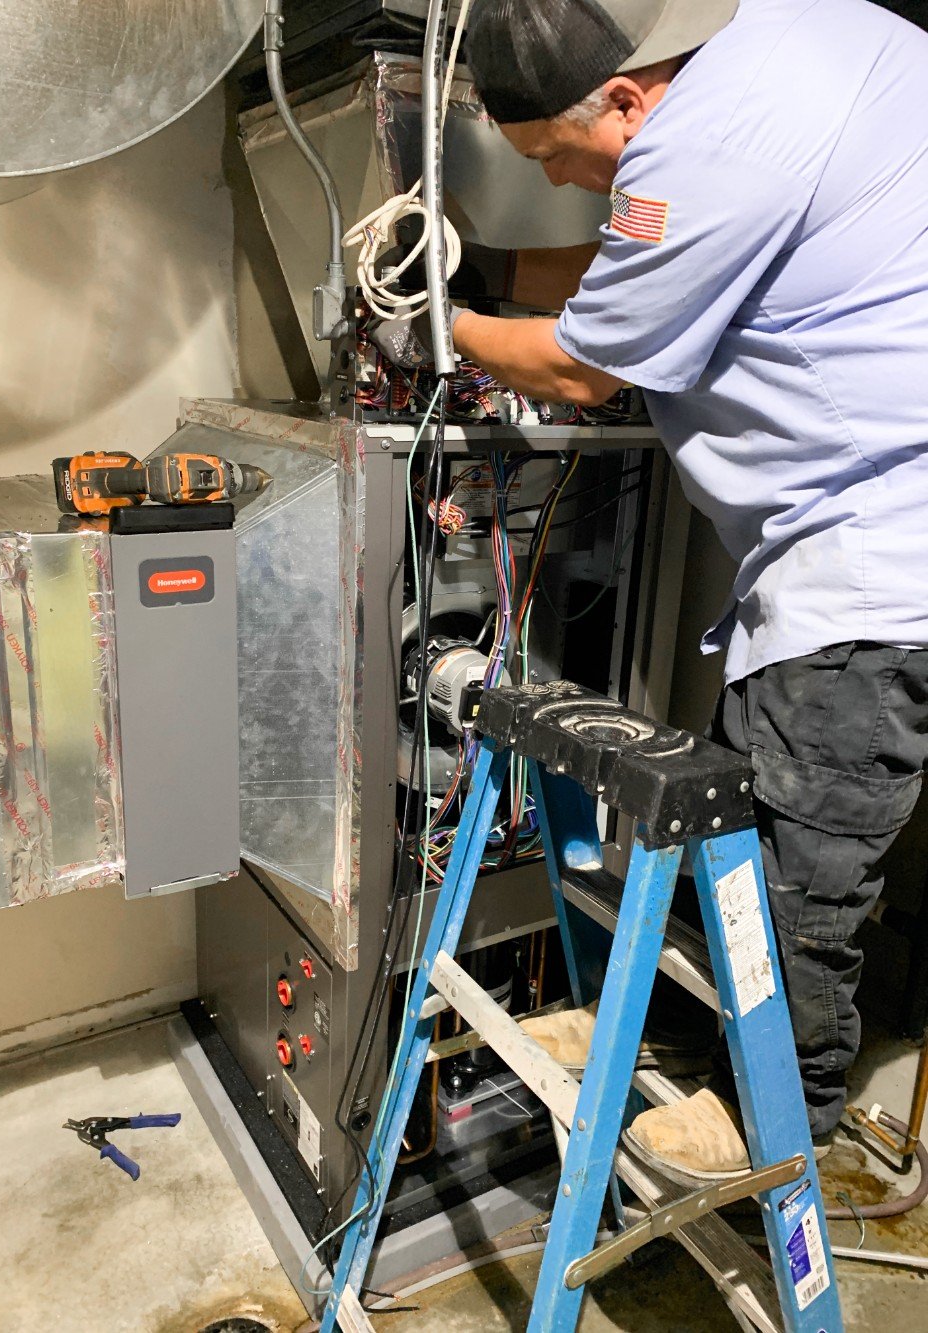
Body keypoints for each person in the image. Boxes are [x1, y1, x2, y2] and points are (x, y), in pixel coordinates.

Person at [376, 0, 928, 1182]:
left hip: (880, 563)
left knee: (804, 862)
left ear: (627, 96)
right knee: (727, 821)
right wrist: (476, 270)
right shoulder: (785, 47)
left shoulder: (713, 134)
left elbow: (581, 365)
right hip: (829, 551)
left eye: (555, 158)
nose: (566, 182)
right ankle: (670, 1042)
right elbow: (636, 260)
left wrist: (442, 327)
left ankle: (780, 1108)